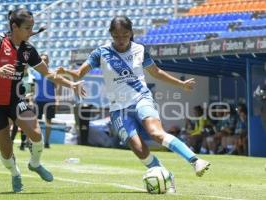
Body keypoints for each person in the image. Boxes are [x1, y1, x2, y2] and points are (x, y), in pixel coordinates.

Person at [57, 15, 210, 192]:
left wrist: (181, 84)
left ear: (131, 33)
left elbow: (156, 72)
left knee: (156, 133)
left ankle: (195, 160)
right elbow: (78, 74)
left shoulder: (140, 50)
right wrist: (65, 72)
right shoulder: (101, 52)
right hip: (118, 109)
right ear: (111, 34)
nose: (121, 40)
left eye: (124, 35)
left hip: (141, 98)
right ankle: (165, 174)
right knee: (138, 148)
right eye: (116, 36)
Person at [0, 8, 85, 193]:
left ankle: (35, 163)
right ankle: (15, 173)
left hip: (16, 100)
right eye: (27, 28)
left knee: (36, 134)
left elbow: (48, 73)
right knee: (6, 151)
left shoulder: (28, 49)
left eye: (33, 27)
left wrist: (70, 84)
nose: (31, 32)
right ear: (14, 26)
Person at [32, 54, 57, 149]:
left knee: (48, 122)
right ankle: (36, 141)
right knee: (35, 122)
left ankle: (47, 142)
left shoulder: (52, 73)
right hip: (38, 100)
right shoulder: (35, 73)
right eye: (42, 59)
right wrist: (32, 98)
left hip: (50, 100)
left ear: (48, 61)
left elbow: (57, 86)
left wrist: (57, 99)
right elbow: (33, 87)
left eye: (45, 59)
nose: (43, 61)